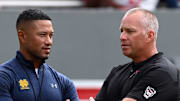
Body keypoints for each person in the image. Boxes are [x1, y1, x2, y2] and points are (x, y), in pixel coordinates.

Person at [89, 8, 180, 101]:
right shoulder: (117, 72)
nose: (122, 37)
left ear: (149, 36)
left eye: (130, 31)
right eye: (122, 31)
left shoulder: (164, 73)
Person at [0, 9, 79, 101]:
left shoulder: (64, 82)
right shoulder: (4, 77)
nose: (49, 42)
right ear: (22, 36)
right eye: (43, 35)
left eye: (51, 35)